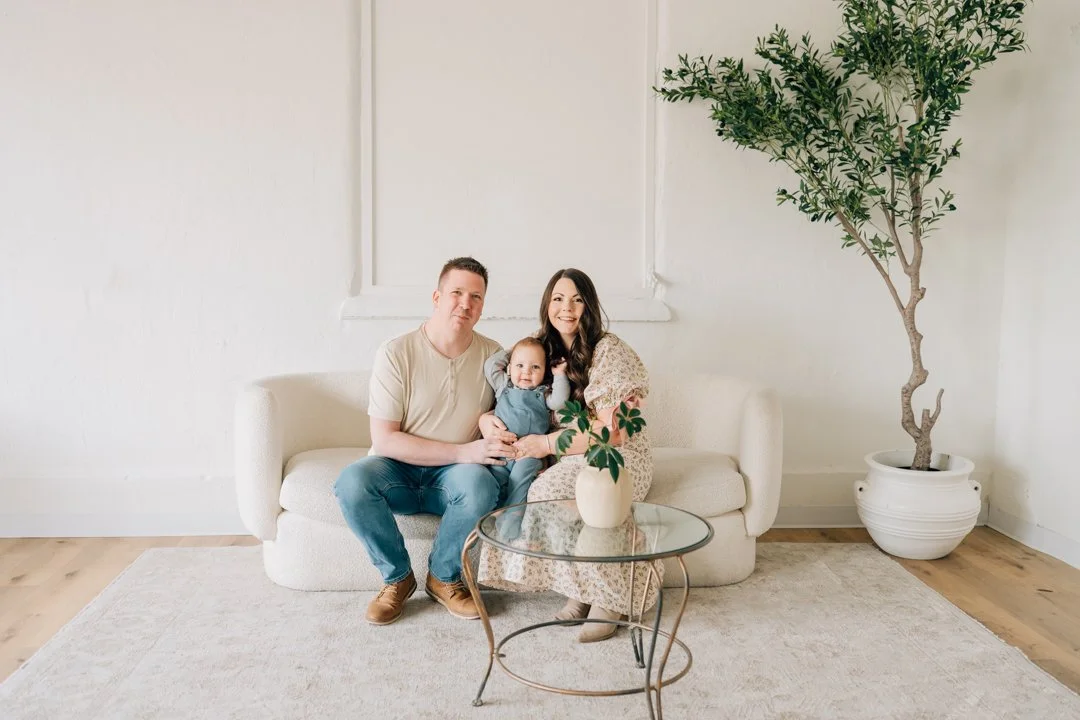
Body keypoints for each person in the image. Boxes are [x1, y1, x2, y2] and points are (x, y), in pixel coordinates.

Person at [334, 257, 516, 626]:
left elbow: (507, 412)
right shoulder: (396, 352)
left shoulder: (494, 355)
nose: (466, 304)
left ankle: (444, 578)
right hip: (396, 471)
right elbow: (384, 440)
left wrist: (487, 421)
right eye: (457, 293)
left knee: (480, 484)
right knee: (351, 482)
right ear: (436, 297)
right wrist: (465, 451)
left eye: (476, 297)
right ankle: (397, 579)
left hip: (454, 478)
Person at [476, 268, 655, 643]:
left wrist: (544, 445)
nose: (566, 308)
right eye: (558, 298)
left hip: (615, 454)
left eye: (576, 299)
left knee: (578, 494)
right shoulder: (541, 350)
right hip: (569, 458)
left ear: (589, 306)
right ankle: (580, 590)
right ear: (547, 304)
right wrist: (485, 418)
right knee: (542, 488)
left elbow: (613, 431)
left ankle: (610, 599)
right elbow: (508, 387)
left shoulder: (609, 350)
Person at [483, 337, 570, 519]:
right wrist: (515, 350)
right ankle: (493, 513)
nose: (526, 372)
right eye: (520, 365)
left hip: (529, 455)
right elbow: (491, 365)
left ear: (545, 370)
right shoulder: (503, 386)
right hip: (501, 454)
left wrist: (560, 374)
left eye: (535, 367)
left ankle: (512, 517)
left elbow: (561, 401)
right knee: (490, 480)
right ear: (509, 367)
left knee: (520, 480)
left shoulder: (543, 394)